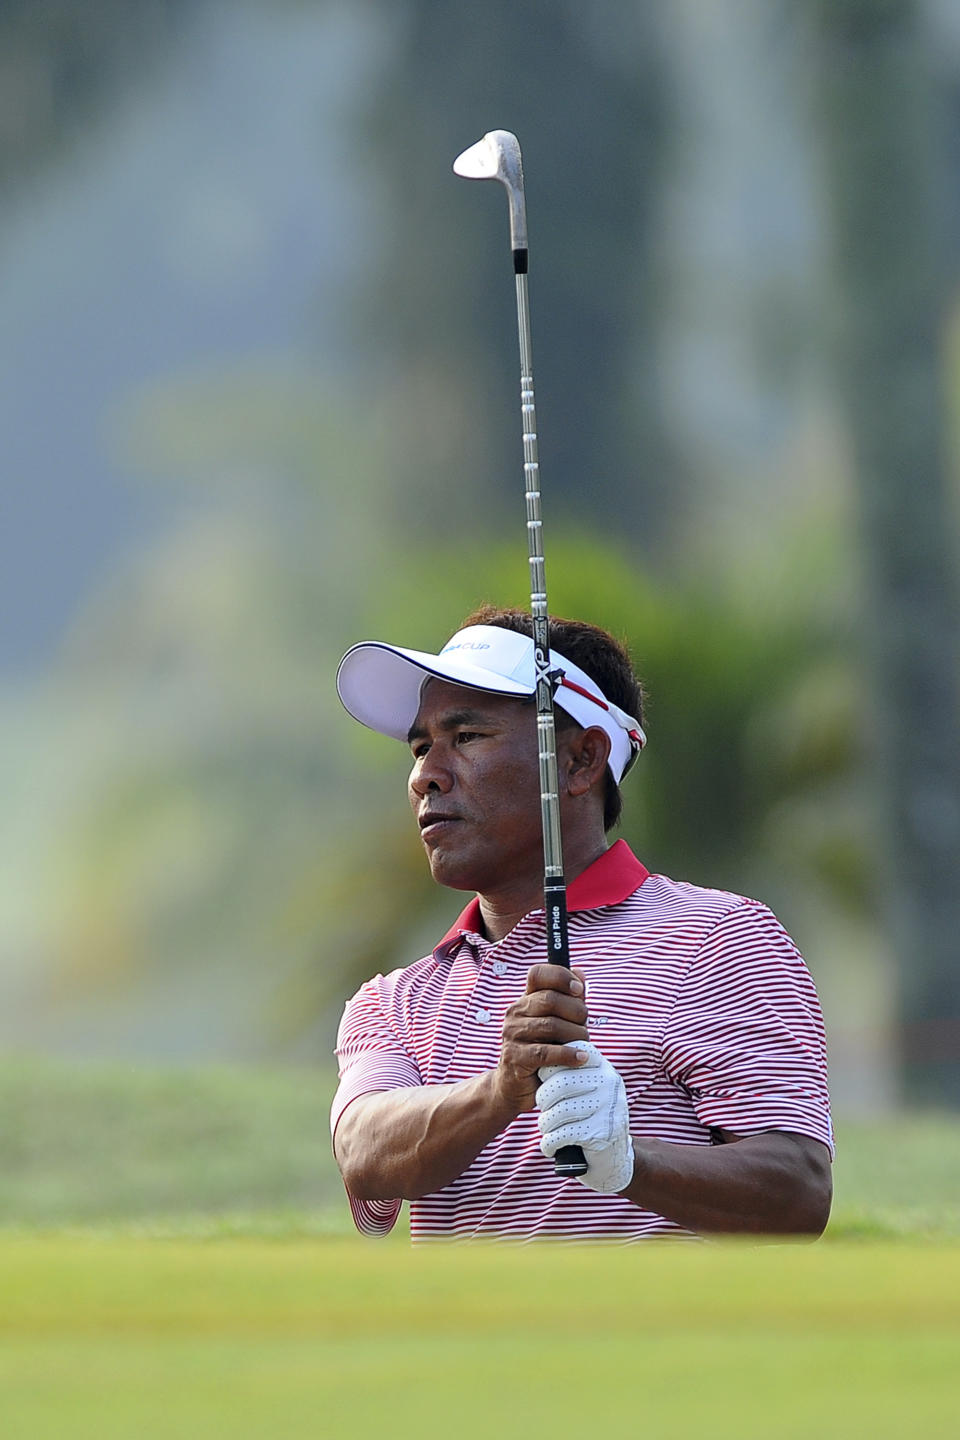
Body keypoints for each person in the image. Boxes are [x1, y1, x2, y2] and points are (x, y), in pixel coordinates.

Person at [331, 604, 833, 1241]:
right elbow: (365, 1153)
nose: (426, 775)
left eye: (467, 737)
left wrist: (628, 1165)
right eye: (422, 746)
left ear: (580, 762)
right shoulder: (393, 1001)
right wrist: (501, 1090)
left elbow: (798, 1192)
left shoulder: (719, 938)